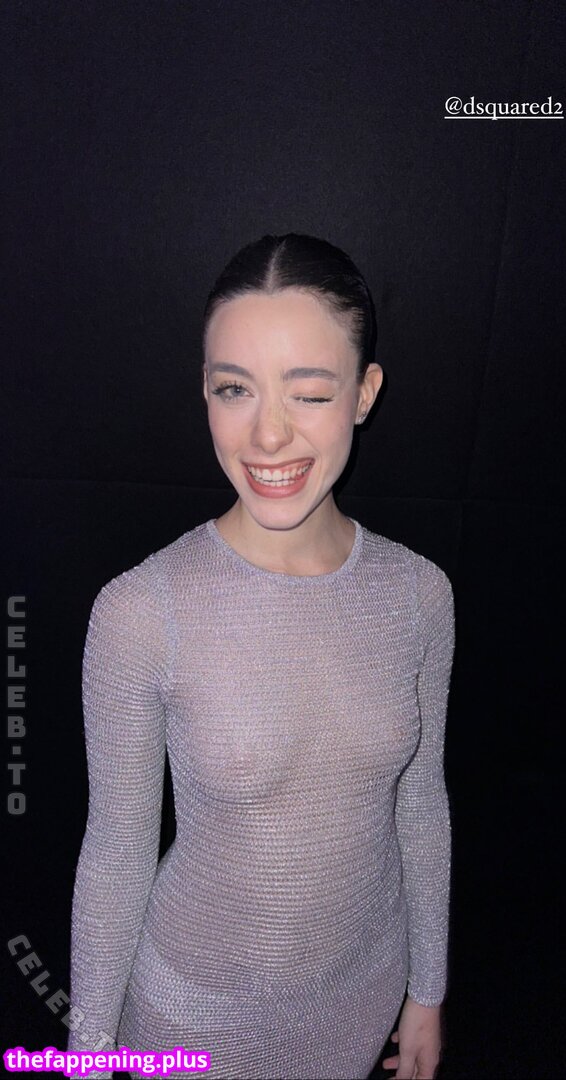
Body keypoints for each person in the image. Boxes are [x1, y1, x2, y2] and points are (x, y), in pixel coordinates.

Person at [66, 233, 455, 1080]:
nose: (268, 433)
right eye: (233, 389)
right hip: (193, 1016)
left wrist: (427, 989)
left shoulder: (420, 594)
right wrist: (86, 1058)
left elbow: (420, 804)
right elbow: (118, 851)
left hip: (361, 995)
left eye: (309, 393)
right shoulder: (142, 611)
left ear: (364, 394)